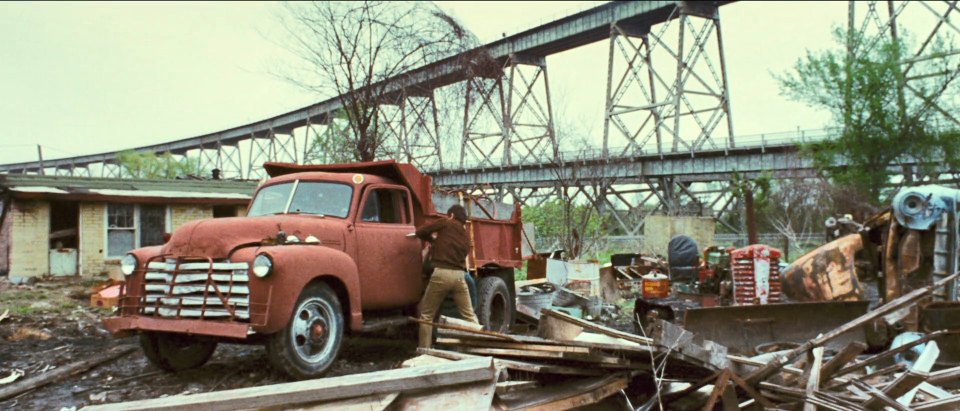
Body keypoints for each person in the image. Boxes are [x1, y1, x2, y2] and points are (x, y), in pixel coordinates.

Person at [412, 204, 479, 348]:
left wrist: (433, 240)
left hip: (441, 274)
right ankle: (480, 345)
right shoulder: (467, 237)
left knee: (427, 315)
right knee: (469, 315)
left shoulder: (446, 222)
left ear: (452, 215)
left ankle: (424, 350)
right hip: (459, 276)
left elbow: (421, 231)